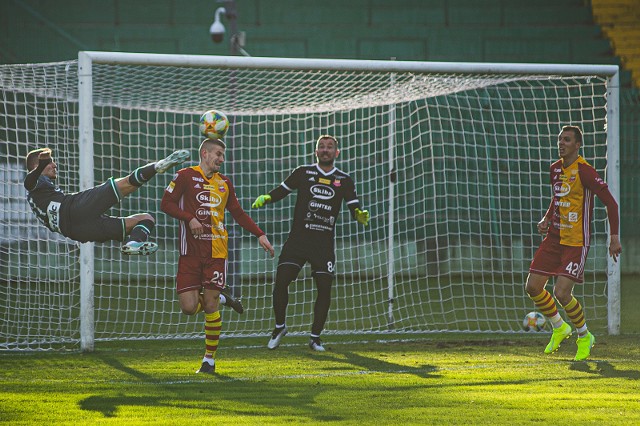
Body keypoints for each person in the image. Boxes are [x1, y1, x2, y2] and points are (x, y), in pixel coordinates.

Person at [161, 138, 275, 374]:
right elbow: (166, 204)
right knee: (188, 307)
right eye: (219, 154)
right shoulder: (184, 176)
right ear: (205, 153)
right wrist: (189, 218)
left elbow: (238, 213)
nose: (222, 159)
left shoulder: (225, 183)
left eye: (223, 155)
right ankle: (226, 298)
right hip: (190, 253)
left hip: (216, 252)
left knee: (210, 303)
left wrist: (260, 234)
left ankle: (209, 361)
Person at [252, 134, 370, 352]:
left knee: (324, 290)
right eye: (321, 147)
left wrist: (358, 214)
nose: (325, 150)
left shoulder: (344, 179)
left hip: (323, 245)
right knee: (281, 282)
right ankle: (279, 327)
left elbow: (354, 206)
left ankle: (315, 338)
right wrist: (267, 197)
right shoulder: (303, 172)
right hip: (298, 240)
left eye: (330, 147)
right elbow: (282, 190)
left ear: (337, 153)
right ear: (316, 152)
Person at [525, 125, 622, 361]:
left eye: (567, 140)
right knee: (533, 287)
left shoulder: (585, 171)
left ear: (577, 145)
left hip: (576, 242)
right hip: (554, 239)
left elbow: (611, 203)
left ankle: (584, 335)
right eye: (560, 139)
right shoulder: (555, 169)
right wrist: (547, 218)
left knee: (561, 292)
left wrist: (614, 237)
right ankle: (559, 327)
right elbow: (557, 199)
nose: (561, 143)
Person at [24, 147, 190, 255]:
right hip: (75, 209)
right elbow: (29, 182)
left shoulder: (39, 191)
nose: (54, 164)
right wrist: (39, 168)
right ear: (38, 166)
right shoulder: (36, 180)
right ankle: (157, 166)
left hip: (76, 231)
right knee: (125, 184)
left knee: (146, 219)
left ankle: (133, 243)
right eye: (49, 162)